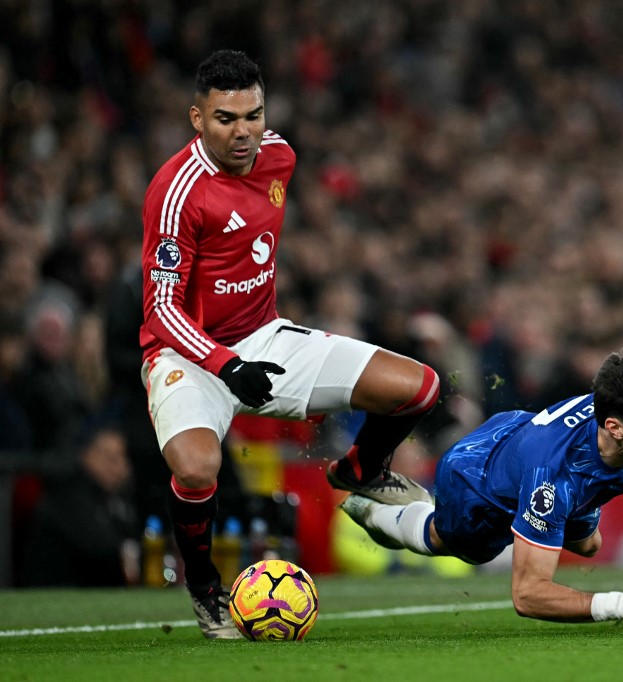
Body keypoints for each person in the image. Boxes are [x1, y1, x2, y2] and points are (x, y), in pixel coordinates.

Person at [140, 50, 438, 639]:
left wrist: (249, 350)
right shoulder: (176, 192)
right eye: (226, 118)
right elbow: (161, 309)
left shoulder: (279, 156)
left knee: (420, 389)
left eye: (253, 114)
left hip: (267, 337)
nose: (243, 131)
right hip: (189, 355)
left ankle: (360, 470)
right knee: (198, 468)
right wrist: (226, 366)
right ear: (196, 118)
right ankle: (204, 590)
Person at [341, 348, 623, 632]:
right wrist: (619, 604)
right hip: (476, 482)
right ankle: (373, 509)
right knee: (448, 541)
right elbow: (527, 594)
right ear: (615, 428)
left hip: (526, 441)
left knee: (589, 545)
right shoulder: (549, 476)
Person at [20, 427, 138, 587]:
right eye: (111, 459)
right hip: (54, 587)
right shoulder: (69, 491)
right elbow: (97, 546)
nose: (121, 467)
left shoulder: (117, 498)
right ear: (88, 456)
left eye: (123, 458)